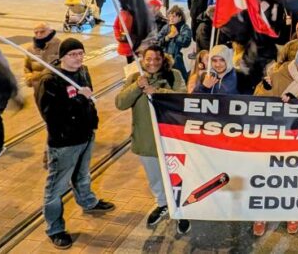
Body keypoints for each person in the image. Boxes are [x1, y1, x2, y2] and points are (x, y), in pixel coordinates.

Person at [35, 38, 115, 249]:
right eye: (73, 54)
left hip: (86, 135)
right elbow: (50, 115)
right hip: (64, 142)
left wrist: (91, 120)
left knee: (82, 174)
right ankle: (55, 228)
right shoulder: (50, 80)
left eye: (81, 53)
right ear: (62, 57)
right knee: (56, 187)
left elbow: (88, 99)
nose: (78, 58)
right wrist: (78, 99)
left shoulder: (83, 70)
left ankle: (88, 201)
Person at [115, 46, 189, 234]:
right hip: (146, 139)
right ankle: (162, 204)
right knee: (155, 178)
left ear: (163, 59)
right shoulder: (134, 78)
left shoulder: (174, 75)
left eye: (157, 59)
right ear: (142, 60)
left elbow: (182, 100)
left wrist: (156, 91)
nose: (152, 63)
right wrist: (137, 86)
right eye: (148, 59)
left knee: (177, 178)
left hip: (171, 139)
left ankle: (181, 210)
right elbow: (120, 103)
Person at [252, 48, 298, 236]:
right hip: (272, 135)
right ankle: (260, 215)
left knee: (292, 178)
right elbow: (257, 102)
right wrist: (264, 89)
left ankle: (292, 212)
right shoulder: (277, 76)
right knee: (266, 177)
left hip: (294, 138)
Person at [157, 5, 192, 79]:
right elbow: (157, 42)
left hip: (178, 61)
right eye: (170, 16)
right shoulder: (166, 27)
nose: (171, 18)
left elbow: (186, 42)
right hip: (165, 59)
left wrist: (176, 36)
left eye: (174, 16)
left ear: (180, 17)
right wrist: (167, 37)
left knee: (181, 79)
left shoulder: (185, 28)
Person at [24, 22, 61, 88]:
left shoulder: (60, 45)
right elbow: (27, 67)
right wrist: (29, 79)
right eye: (36, 32)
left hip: (56, 86)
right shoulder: (30, 49)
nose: (39, 35)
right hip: (38, 87)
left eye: (42, 32)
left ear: (50, 31)